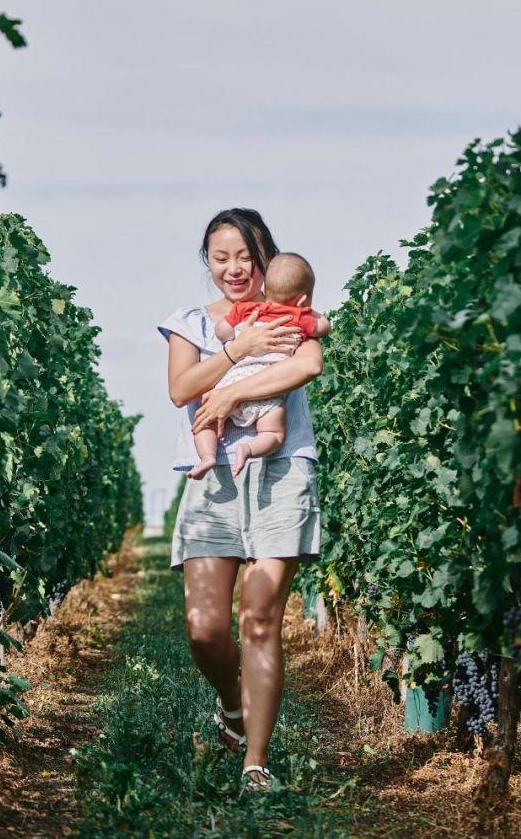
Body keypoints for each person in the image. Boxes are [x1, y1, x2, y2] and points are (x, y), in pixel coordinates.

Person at [157, 208, 324, 792]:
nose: (233, 268)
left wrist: (230, 396)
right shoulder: (192, 323)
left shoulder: (290, 316)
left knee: (259, 621)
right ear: (207, 261)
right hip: (213, 482)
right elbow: (181, 388)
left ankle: (256, 763)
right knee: (205, 629)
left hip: (280, 471)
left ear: (266, 257)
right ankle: (233, 702)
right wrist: (239, 350)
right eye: (220, 257)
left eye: (245, 257)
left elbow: (309, 364)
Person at [189, 252, 331, 480]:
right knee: (273, 433)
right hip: (268, 391)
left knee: (204, 421)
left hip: (233, 380)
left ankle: (207, 455)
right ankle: (249, 449)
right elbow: (323, 327)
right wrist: (306, 310)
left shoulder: (246, 309)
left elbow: (222, 331)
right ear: (303, 299)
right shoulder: (299, 316)